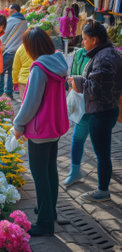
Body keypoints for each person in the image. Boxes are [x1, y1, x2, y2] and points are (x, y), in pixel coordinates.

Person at [13, 27, 69, 237]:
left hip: (40, 129)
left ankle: (45, 222)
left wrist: (18, 125)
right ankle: (49, 210)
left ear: (31, 47)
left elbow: (31, 103)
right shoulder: (59, 62)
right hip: (54, 126)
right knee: (50, 171)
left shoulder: (39, 68)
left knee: (40, 175)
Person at [69, 19, 122, 201]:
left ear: (95, 39)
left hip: (101, 112)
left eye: (85, 39)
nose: (83, 42)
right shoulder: (107, 53)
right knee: (103, 151)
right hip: (106, 109)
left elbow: (96, 87)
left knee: (102, 153)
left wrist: (79, 82)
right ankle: (103, 184)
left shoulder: (104, 58)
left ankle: (102, 191)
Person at [62, 47, 90, 187]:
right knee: (77, 137)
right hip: (82, 101)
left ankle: (103, 185)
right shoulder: (80, 53)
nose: (83, 42)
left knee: (101, 145)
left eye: (86, 39)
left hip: (99, 106)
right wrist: (72, 85)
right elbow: (73, 72)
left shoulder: (103, 55)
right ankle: (75, 171)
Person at [0, 4, 27, 99]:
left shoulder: (12, 20)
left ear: (14, 10)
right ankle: (9, 92)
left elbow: (3, 35)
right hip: (18, 52)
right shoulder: (25, 21)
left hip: (9, 51)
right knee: (11, 72)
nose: (8, 12)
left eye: (9, 10)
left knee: (0, 71)